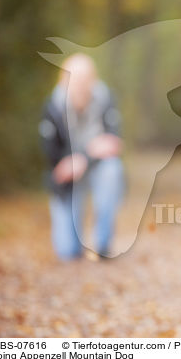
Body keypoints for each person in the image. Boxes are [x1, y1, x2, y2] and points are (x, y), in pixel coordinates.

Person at [39, 53, 124, 260]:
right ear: (63, 80)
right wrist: (87, 152)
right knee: (67, 252)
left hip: (97, 167)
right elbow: (52, 157)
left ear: (93, 80)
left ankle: (102, 244)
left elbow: (113, 143)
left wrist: (82, 158)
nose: (80, 85)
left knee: (113, 169)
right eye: (75, 79)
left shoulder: (105, 99)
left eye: (86, 79)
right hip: (67, 177)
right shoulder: (53, 107)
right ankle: (74, 244)